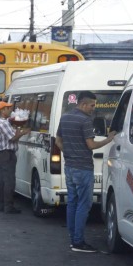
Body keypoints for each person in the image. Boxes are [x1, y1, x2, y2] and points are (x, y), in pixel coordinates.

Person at [55, 91, 116, 253]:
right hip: (83, 168)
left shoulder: (65, 118)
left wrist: (68, 152)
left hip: (69, 166)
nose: (93, 109)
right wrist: (109, 139)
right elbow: (91, 145)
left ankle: (73, 238)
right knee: (84, 204)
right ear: (83, 104)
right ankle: (78, 242)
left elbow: (58, 140)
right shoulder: (85, 120)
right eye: (92, 105)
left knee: (72, 203)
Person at [0, 101, 30, 214]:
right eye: (8, 108)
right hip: (6, 154)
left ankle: (0, 205)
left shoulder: (2, 122)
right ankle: (8, 206)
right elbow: (13, 138)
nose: (10, 110)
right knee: (9, 181)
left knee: (1, 181)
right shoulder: (3, 123)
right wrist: (24, 132)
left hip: (2, 154)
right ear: (2, 110)